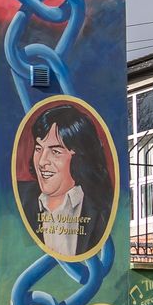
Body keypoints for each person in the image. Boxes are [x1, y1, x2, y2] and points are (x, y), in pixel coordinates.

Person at [17, 104, 110, 258]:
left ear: (79, 156)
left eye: (55, 152)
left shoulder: (102, 208)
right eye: (39, 149)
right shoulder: (17, 200)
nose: (41, 162)